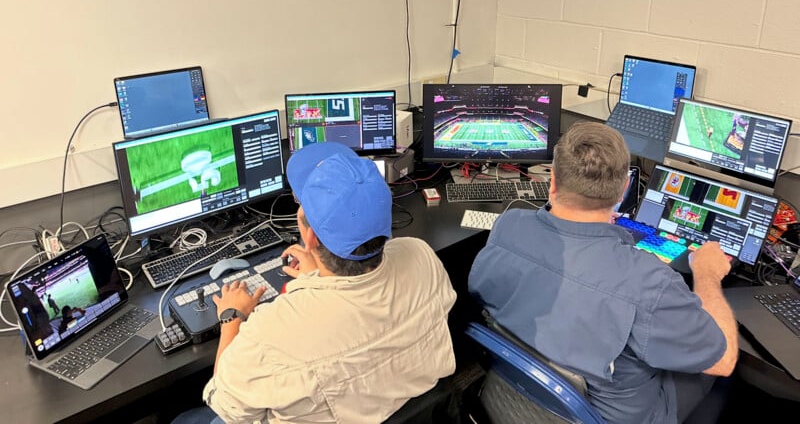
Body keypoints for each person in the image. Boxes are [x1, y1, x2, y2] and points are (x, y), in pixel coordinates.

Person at [468, 122, 738, 424]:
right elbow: (723, 360)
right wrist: (707, 275)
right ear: (623, 190)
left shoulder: (508, 225)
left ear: (553, 181)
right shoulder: (650, 283)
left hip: (514, 398)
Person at [184, 141, 457, 423]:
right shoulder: (420, 255)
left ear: (310, 237)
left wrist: (232, 317)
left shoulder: (272, 333)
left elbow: (224, 403)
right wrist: (317, 272)